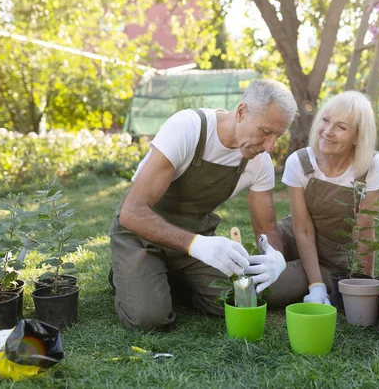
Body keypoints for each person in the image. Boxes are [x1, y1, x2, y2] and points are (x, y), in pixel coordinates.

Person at [109, 79, 298, 331]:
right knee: (149, 318)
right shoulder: (189, 129)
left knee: (236, 300)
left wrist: (276, 256)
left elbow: (267, 229)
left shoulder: (259, 162)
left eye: (278, 136)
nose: (269, 146)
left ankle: (162, 278)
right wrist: (196, 244)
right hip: (141, 235)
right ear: (241, 112)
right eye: (265, 132)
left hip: (194, 243)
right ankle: (127, 274)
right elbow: (131, 213)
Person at [266, 91, 379, 306]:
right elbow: (302, 228)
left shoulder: (370, 167)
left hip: (332, 259)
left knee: (270, 290)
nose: (327, 132)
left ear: (358, 136)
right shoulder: (300, 162)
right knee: (250, 272)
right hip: (293, 237)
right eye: (325, 120)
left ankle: (300, 273)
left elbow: (364, 229)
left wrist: (363, 286)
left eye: (341, 127)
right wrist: (316, 286)